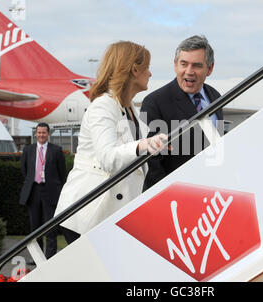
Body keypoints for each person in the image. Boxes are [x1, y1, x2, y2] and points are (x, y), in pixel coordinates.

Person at [54, 41, 168, 244]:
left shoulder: (131, 108)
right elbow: (108, 158)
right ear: (134, 69)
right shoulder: (102, 106)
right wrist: (143, 145)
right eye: (147, 68)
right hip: (90, 214)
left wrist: (151, 147)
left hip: (112, 215)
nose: (150, 74)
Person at [140, 35, 224, 191]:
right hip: (176, 198)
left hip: (213, 193)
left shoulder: (215, 96)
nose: (189, 71)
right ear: (175, 65)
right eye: (183, 64)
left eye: (197, 66)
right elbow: (153, 164)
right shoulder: (155, 102)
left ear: (210, 68)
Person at [19, 123, 67, 259]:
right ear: (35, 134)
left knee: (50, 228)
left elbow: (62, 173)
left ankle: (50, 259)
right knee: (35, 229)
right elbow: (24, 170)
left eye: (44, 133)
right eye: (39, 132)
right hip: (33, 191)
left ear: (48, 134)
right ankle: (38, 260)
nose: (41, 135)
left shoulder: (56, 150)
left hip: (50, 192)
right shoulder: (28, 150)